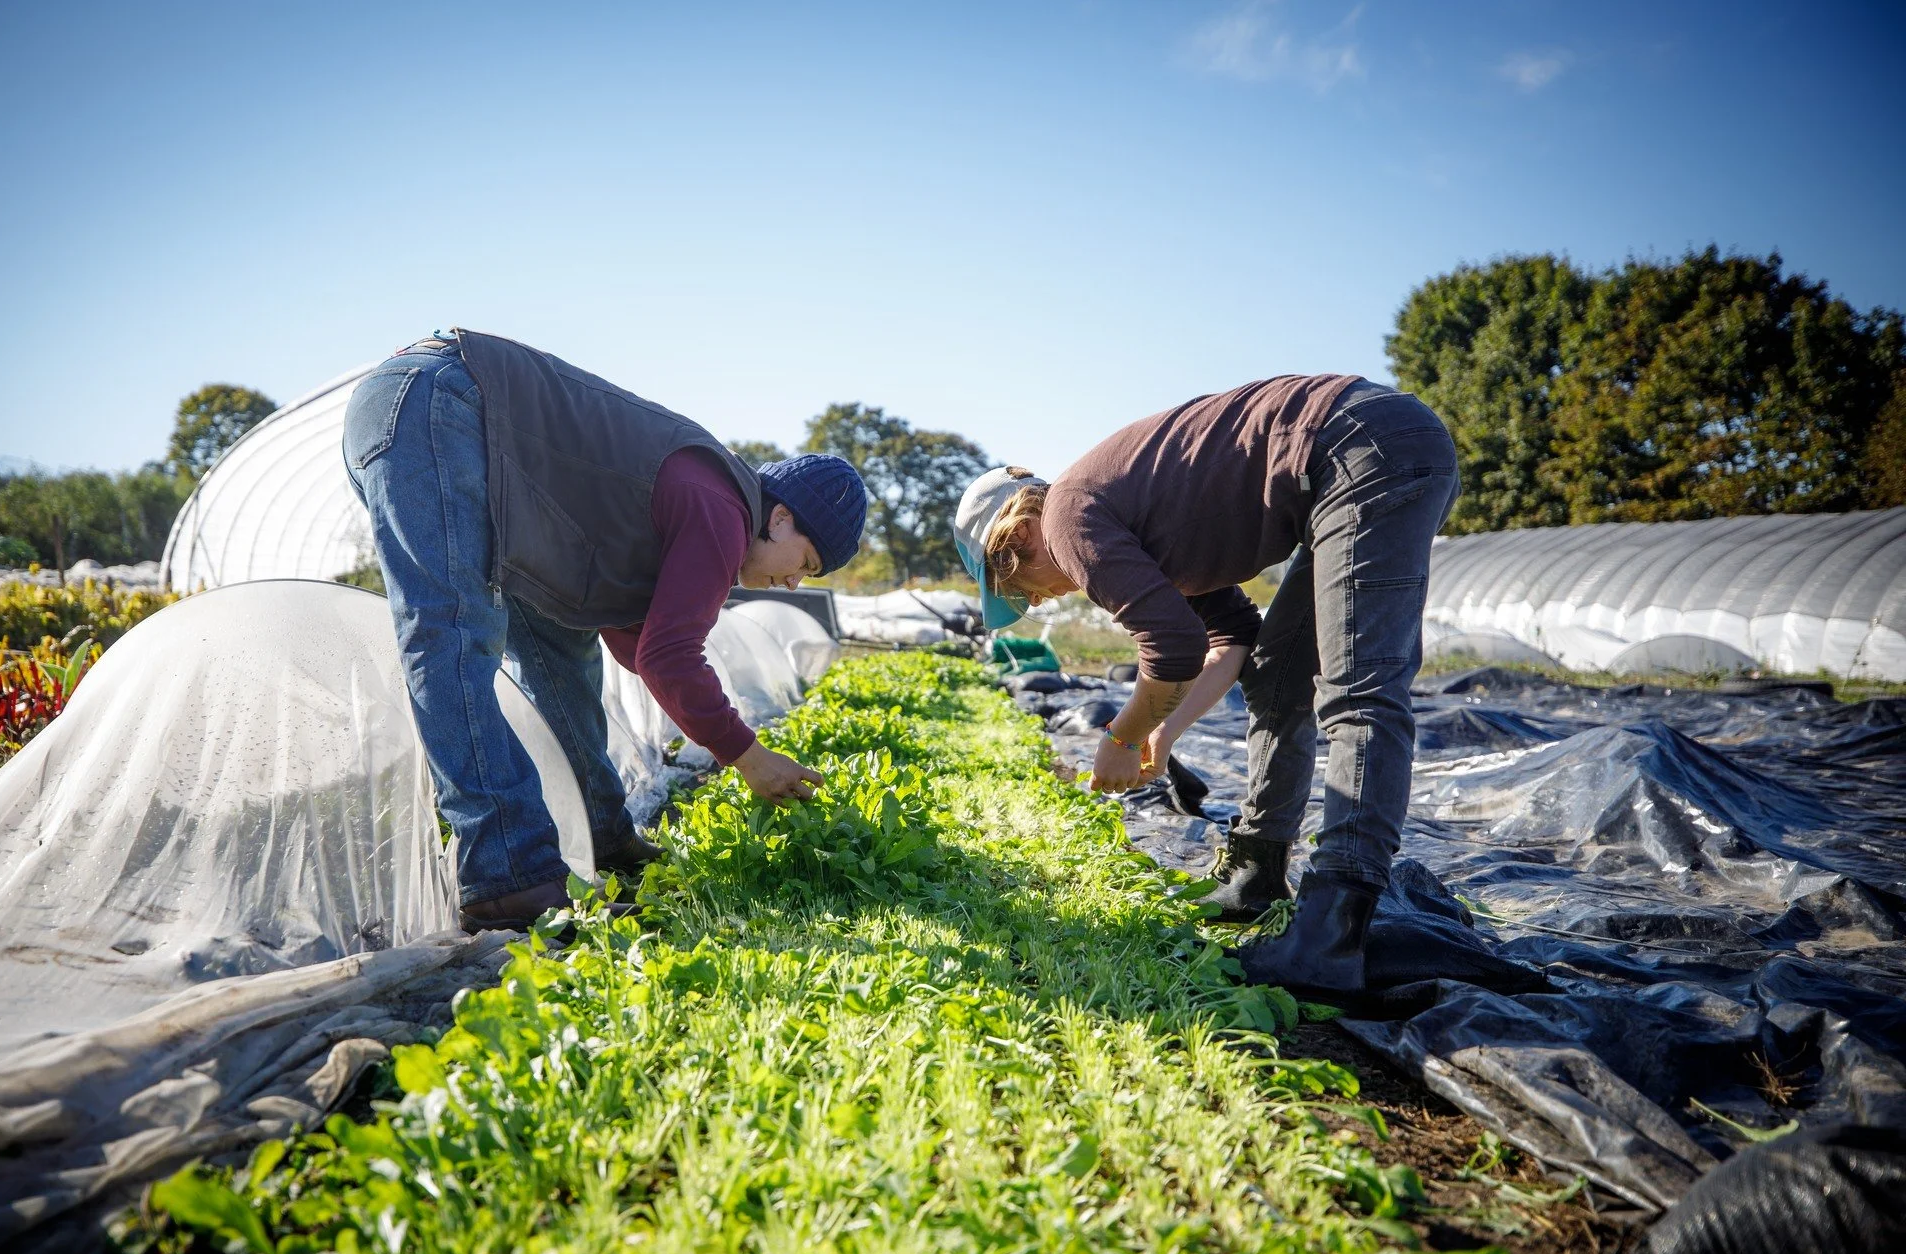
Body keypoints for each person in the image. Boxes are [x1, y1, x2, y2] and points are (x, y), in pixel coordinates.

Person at [343, 330, 868, 935]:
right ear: (779, 518)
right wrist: (749, 757)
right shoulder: (723, 509)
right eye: (804, 564)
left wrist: (680, 670)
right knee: (453, 633)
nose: (795, 586)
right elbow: (668, 656)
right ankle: (508, 873)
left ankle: (602, 837)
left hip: (454, 425)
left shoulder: (713, 504)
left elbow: (639, 646)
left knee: (560, 651)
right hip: (440, 406)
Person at [953, 377, 1458, 998]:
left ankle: (1331, 931)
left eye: (1021, 584)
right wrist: (1161, 735)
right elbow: (1236, 641)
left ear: (1018, 533)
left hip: (1360, 444)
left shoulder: (1066, 517)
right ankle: (1257, 871)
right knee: (1279, 674)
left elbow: (1172, 648)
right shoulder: (1128, 519)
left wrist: (1121, 734)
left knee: (1358, 685)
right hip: (1352, 452)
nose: (1037, 597)